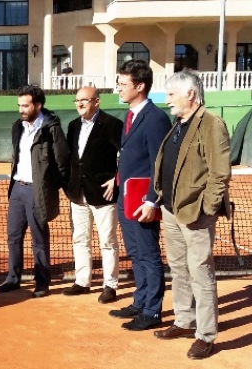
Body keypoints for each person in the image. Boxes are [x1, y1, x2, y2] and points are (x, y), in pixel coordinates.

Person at [152, 70, 231, 359]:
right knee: (179, 267)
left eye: (171, 94)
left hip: (195, 212)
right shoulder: (179, 124)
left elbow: (219, 173)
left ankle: (206, 335)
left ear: (190, 95)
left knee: (201, 272)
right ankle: (185, 321)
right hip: (172, 209)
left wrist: (207, 208)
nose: (166, 99)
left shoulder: (211, 124)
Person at [109, 59, 171, 330]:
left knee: (148, 254)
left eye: (123, 84)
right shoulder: (130, 114)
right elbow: (132, 157)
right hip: (125, 197)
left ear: (140, 86)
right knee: (135, 253)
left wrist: (151, 200)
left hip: (143, 200)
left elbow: (161, 163)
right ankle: (140, 301)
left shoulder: (156, 118)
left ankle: (152, 311)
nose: (119, 89)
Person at [0, 85, 70, 298]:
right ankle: (13, 278)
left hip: (38, 190)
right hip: (17, 189)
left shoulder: (51, 128)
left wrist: (51, 185)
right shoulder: (17, 126)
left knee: (39, 238)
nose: (21, 110)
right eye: (19, 105)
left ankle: (42, 282)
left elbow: (62, 160)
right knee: (13, 237)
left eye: (25, 105)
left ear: (38, 105)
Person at [63, 86, 122, 304]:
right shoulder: (73, 126)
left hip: (103, 194)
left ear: (96, 102)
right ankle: (82, 281)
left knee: (107, 241)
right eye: (77, 100)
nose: (79, 104)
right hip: (77, 193)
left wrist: (117, 178)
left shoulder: (112, 124)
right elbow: (71, 158)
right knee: (80, 239)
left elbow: (126, 152)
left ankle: (110, 285)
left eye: (84, 100)